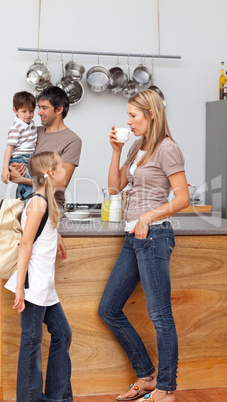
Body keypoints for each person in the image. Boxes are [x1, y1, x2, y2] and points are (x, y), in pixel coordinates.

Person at [98, 89, 189, 402]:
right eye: (127, 116)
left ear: (151, 114)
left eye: (133, 116)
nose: (128, 121)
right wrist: (116, 150)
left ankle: (166, 390)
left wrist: (149, 215)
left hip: (154, 236)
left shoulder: (168, 148)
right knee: (109, 308)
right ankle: (147, 376)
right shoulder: (136, 146)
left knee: (160, 316)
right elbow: (114, 187)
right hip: (132, 238)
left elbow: (182, 198)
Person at [5, 151, 73, 402]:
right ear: (51, 174)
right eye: (62, 167)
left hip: (44, 287)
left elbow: (40, 230)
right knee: (31, 344)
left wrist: (56, 235)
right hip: (34, 286)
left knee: (62, 333)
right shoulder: (38, 203)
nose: (66, 170)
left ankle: (58, 397)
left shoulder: (45, 201)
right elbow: (25, 243)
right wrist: (21, 287)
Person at [9, 86, 82, 213]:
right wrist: (14, 168)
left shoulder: (72, 141)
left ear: (59, 110)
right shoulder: (32, 132)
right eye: (39, 107)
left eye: (44, 108)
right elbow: (16, 157)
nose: (38, 113)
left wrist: (20, 179)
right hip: (23, 206)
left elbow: (60, 183)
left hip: (49, 210)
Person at [1, 91, 37, 198]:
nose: (28, 115)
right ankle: (26, 207)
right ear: (15, 111)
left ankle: (21, 207)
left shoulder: (31, 124)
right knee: (28, 185)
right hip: (20, 159)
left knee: (25, 185)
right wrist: (5, 169)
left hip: (29, 159)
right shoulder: (16, 127)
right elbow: (9, 148)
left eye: (31, 111)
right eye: (24, 111)